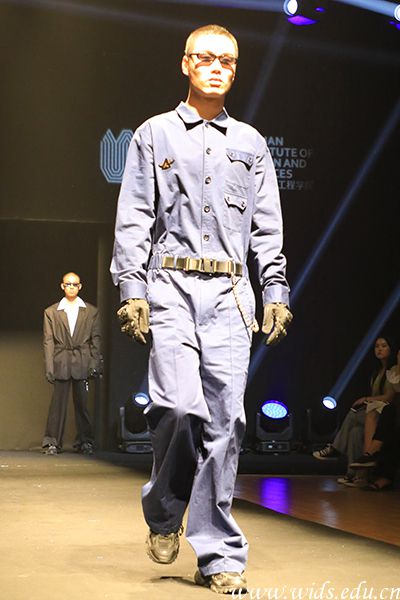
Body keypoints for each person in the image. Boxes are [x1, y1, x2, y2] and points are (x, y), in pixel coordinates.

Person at [110, 24, 292, 595]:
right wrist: (131, 288)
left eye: (227, 61)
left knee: (227, 424)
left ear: (235, 71)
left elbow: (267, 228)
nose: (217, 67)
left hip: (231, 296)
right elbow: (134, 216)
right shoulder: (154, 134)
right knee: (178, 406)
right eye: (206, 58)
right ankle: (166, 512)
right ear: (186, 64)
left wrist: (276, 291)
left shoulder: (252, 144)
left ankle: (218, 556)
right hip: (170, 287)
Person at [313, 336, 396, 487]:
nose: (379, 349)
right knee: (355, 432)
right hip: (374, 410)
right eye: (377, 346)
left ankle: (335, 448)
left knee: (353, 415)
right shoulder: (377, 371)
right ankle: (356, 476)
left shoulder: (394, 371)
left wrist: (366, 399)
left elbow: (389, 397)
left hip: (385, 414)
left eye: (384, 346)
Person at [42, 272, 102, 455]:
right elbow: (48, 341)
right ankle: (52, 442)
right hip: (61, 360)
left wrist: (94, 364)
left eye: (74, 284)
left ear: (80, 286)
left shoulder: (91, 311)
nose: (71, 287)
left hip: (82, 360)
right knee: (57, 405)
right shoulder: (51, 312)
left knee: (82, 405)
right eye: (68, 284)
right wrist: (49, 367)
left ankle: (85, 441)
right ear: (62, 286)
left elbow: (96, 340)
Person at [349, 350, 400, 491]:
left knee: (389, 415)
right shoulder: (393, 372)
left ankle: (371, 454)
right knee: (357, 429)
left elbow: (389, 396)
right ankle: (366, 467)